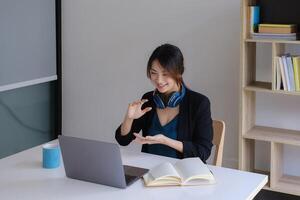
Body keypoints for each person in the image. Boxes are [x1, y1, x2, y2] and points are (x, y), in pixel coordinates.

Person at [115, 43, 213, 163]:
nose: (159, 80)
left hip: (182, 174)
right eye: (154, 73)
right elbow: (123, 140)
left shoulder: (199, 103)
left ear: (179, 72)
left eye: (165, 74)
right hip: (150, 171)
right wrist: (129, 118)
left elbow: (203, 152)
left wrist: (165, 141)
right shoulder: (149, 99)